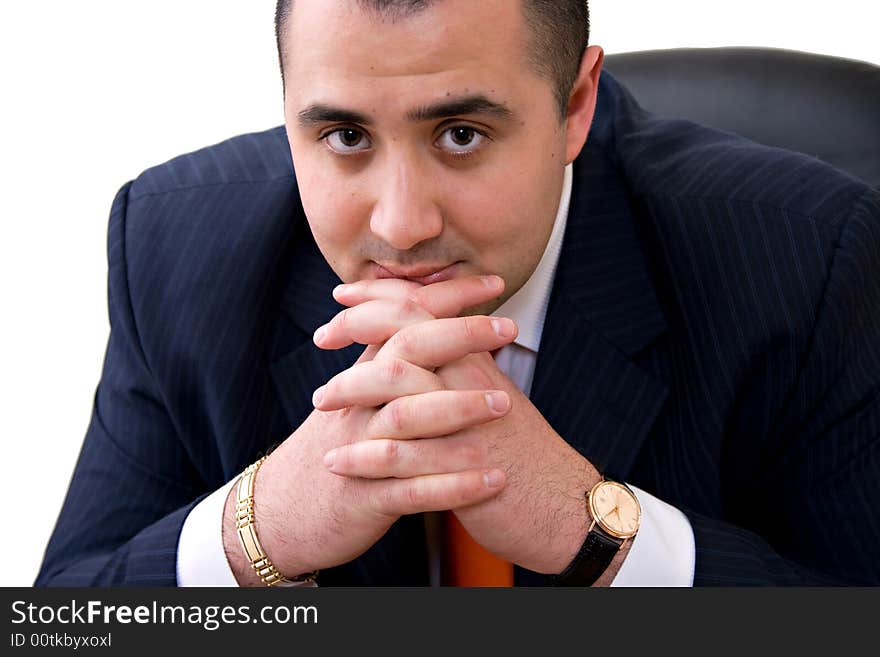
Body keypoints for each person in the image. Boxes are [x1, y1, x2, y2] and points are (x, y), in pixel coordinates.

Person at [36, 0, 880, 587]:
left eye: (461, 134)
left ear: (577, 105)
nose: (401, 225)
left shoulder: (810, 259)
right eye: (343, 136)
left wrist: (596, 535)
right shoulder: (175, 246)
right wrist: (259, 528)